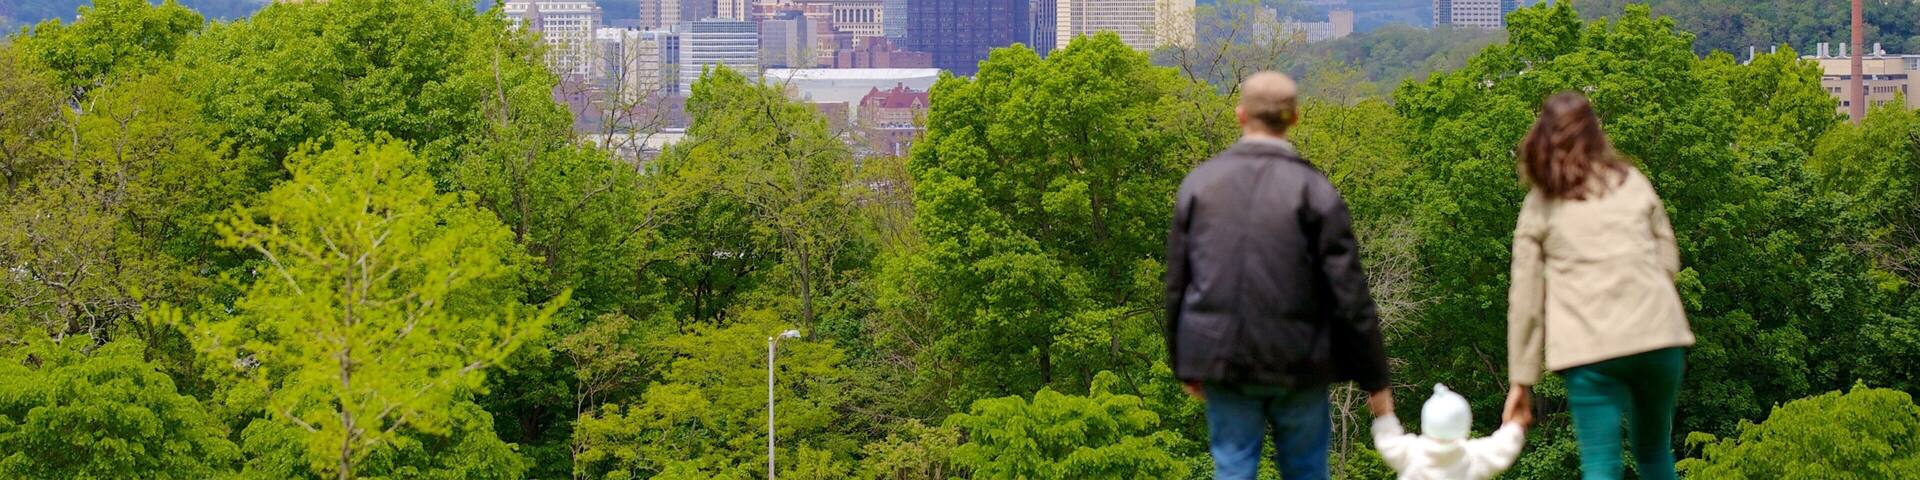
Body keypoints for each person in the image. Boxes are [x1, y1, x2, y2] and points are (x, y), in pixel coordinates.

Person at [1163, 71, 1394, 480]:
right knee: (1305, 470)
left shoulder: (1199, 185)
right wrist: (1375, 378)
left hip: (1221, 355)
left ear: (1240, 116)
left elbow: (1177, 285)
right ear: (1295, 118)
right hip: (1300, 358)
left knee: (1232, 468)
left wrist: (1185, 362)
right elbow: (1349, 292)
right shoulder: (1315, 190)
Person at [1502, 92, 1695, 480]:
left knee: (1601, 465)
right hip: (1659, 336)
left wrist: (1521, 380)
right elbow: (1668, 255)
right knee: (1656, 453)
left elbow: (1525, 299)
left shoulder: (1541, 204)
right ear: (1595, 134)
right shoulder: (1631, 181)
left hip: (1590, 347)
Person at [1372, 384, 1526, 480]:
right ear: (1466, 423)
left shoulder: (1410, 453)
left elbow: (1387, 437)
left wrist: (1382, 409)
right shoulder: (1473, 457)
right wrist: (1516, 420)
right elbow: (1505, 446)